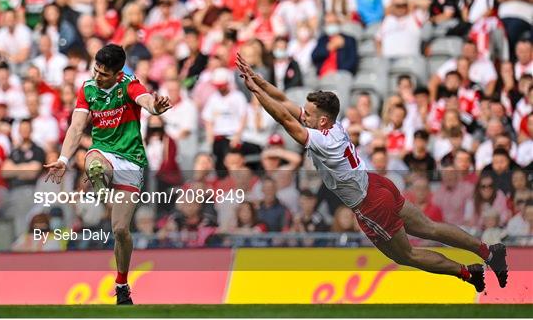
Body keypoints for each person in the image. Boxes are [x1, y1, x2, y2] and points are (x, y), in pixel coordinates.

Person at [236, 53, 508, 293]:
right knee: (430, 228)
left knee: (408, 255)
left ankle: (467, 273)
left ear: (321, 119)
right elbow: (284, 100)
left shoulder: (322, 140)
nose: (302, 116)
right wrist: (258, 80)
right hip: (376, 183)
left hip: (369, 203)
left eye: (306, 114)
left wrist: (255, 93)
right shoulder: (332, 126)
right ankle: (488, 252)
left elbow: (283, 118)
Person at [44, 44, 172, 304]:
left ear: (117, 73)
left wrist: (157, 107)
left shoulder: (129, 85)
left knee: (121, 230)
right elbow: (77, 126)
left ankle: (122, 284)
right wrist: (63, 159)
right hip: (102, 151)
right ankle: (104, 196)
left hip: (131, 160)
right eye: (96, 70)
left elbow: (146, 101)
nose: (97, 76)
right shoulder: (87, 89)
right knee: (93, 165)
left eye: (104, 74)